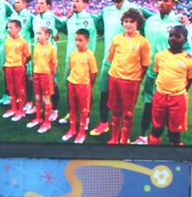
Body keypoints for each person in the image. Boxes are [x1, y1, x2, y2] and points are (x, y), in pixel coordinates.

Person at [101, 9, 149, 145]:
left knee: (127, 113)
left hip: (130, 81)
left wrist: (136, 78)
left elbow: (145, 65)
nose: (128, 25)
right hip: (114, 78)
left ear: (137, 23)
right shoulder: (117, 39)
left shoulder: (143, 42)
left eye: (131, 22)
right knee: (115, 110)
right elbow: (111, 58)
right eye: (125, 22)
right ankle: (114, 138)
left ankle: (124, 139)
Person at [61, 28, 97, 144]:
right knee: (72, 107)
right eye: (76, 40)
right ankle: (72, 129)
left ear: (87, 41)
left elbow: (93, 72)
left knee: (83, 109)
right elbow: (72, 68)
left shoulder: (90, 55)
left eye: (80, 40)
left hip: (83, 86)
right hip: (72, 84)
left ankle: (81, 132)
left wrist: (88, 85)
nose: (77, 43)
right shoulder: (73, 54)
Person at [1, 18, 30, 125]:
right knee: (10, 88)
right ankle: (13, 108)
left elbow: (28, 56)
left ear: (18, 29)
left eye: (11, 28)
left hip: (18, 67)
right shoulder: (7, 41)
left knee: (20, 89)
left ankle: (21, 110)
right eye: (8, 27)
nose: (9, 30)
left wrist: (21, 64)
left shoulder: (22, 42)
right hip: (8, 66)